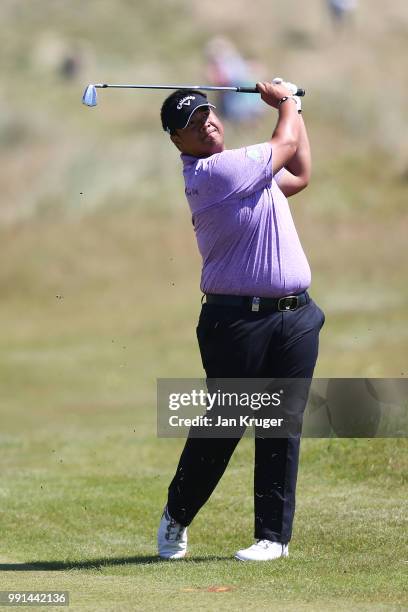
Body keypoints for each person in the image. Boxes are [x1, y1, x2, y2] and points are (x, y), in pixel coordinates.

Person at [157, 82, 325, 561]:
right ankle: (177, 513)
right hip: (236, 322)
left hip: (295, 317)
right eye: (192, 124)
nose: (206, 124)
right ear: (177, 141)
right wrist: (287, 102)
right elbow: (286, 145)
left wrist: (296, 108)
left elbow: (301, 171)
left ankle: (273, 538)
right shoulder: (214, 173)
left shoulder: (247, 173)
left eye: (207, 114)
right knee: (225, 424)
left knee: (282, 425)